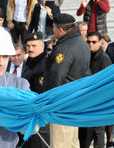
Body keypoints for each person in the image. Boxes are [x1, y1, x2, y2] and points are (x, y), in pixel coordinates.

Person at [43, 13, 90, 148]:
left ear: (61, 30)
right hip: (75, 102)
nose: (53, 30)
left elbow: (56, 78)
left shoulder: (64, 47)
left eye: (54, 27)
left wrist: (48, 102)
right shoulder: (82, 43)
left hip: (61, 105)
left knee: (60, 144)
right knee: (73, 143)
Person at [79, 31, 111, 148]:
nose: (91, 44)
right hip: (86, 101)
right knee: (85, 134)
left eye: (94, 42)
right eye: (88, 41)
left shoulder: (104, 59)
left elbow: (106, 84)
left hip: (98, 102)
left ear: (100, 43)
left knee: (98, 133)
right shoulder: (85, 56)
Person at [20, 31, 49, 148]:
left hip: (39, 117)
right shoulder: (30, 62)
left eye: (34, 46)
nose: (30, 49)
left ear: (42, 46)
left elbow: (40, 92)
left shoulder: (44, 64)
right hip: (29, 114)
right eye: (28, 46)